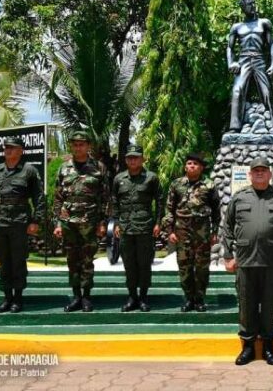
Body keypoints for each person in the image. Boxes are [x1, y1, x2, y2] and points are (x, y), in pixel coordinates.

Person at [222, 157, 273, 365]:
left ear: (270, 174)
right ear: (250, 174)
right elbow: (227, 227)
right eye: (256, 171)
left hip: (272, 261)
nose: (260, 173)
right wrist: (228, 255)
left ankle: (268, 347)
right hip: (245, 261)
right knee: (246, 304)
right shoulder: (239, 198)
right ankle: (247, 347)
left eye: (264, 170)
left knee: (270, 305)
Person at [0, 136, 46, 313]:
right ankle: (6, 297)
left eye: (12, 147)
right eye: (6, 147)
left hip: (19, 223)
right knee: (3, 261)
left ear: (20, 151)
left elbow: (39, 197)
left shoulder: (29, 171)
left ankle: (18, 298)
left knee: (18, 261)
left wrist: (36, 220)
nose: (7, 150)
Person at [52, 130, 110, 312]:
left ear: (88, 146)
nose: (78, 147)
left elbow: (106, 198)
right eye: (75, 144)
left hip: (90, 222)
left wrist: (103, 223)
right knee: (72, 260)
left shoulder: (99, 167)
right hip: (68, 223)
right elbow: (57, 198)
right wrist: (57, 223)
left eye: (82, 144)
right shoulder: (63, 168)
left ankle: (86, 297)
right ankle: (76, 296)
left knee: (87, 260)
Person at [162, 153, 221, 312]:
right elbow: (169, 209)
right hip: (182, 231)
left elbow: (216, 211)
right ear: (185, 167)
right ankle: (189, 299)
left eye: (195, 163)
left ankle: (200, 299)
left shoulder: (209, 185)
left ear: (201, 167)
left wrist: (215, 232)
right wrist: (170, 231)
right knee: (184, 266)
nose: (192, 166)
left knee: (201, 268)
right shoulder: (176, 184)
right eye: (189, 163)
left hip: (202, 232)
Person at [111, 144, 161, 312]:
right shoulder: (119, 179)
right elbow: (115, 202)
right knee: (129, 264)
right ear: (126, 160)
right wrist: (116, 223)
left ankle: (144, 297)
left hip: (145, 227)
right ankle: (132, 296)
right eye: (129, 157)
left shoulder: (151, 178)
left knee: (144, 264)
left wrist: (158, 223)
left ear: (142, 159)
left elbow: (159, 202)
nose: (132, 160)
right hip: (125, 227)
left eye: (136, 157)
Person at [227, 0, 273, 132]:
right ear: (243, 8)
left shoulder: (264, 23)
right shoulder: (236, 27)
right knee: (237, 90)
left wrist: (272, 64)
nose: (253, 6)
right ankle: (234, 127)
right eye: (249, 4)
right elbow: (230, 47)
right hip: (243, 61)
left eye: (253, 3)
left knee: (267, 92)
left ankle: (272, 125)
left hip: (259, 60)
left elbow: (272, 44)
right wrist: (231, 63)